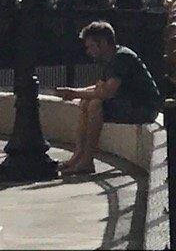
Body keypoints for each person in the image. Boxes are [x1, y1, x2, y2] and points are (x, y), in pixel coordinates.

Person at [54, 21, 161, 174]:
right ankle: (77, 156)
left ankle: (87, 161)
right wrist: (73, 91)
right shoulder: (111, 58)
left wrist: (74, 93)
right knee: (86, 102)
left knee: (95, 104)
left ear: (103, 43)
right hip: (129, 104)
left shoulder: (121, 58)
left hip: (143, 108)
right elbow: (99, 87)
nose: (88, 51)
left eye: (91, 46)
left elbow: (106, 93)